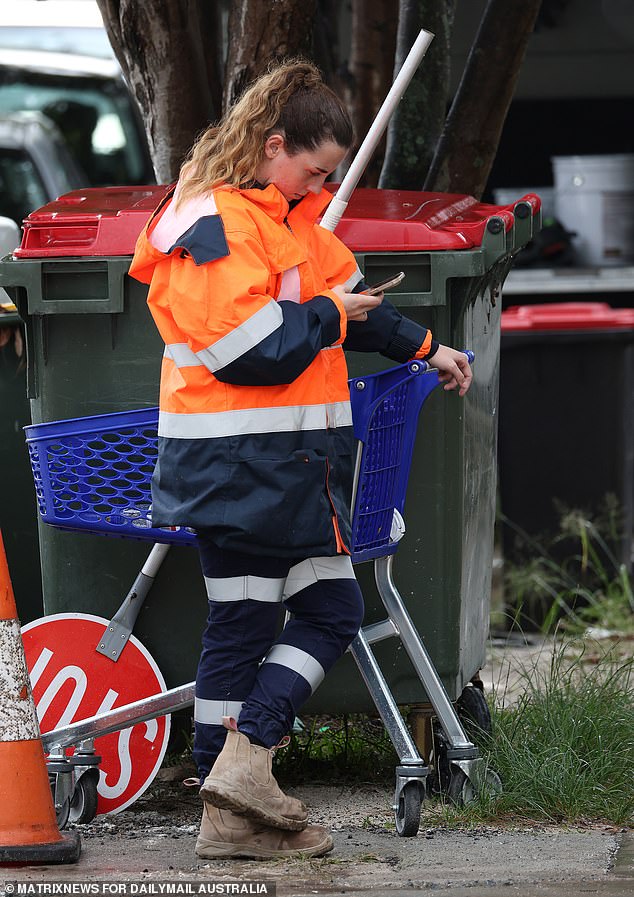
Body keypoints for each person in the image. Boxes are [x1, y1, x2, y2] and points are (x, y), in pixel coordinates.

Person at [129, 59, 472, 861]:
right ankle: (241, 777)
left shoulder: (286, 225)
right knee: (314, 615)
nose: (319, 183)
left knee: (249, 625)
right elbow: (251, 350)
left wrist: (429, 346)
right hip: (244, 464)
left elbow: (360, 312)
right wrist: (325, 311)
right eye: (313, 168)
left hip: (274, 466)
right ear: (273, 143)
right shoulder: (215, 221)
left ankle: (229, 799)